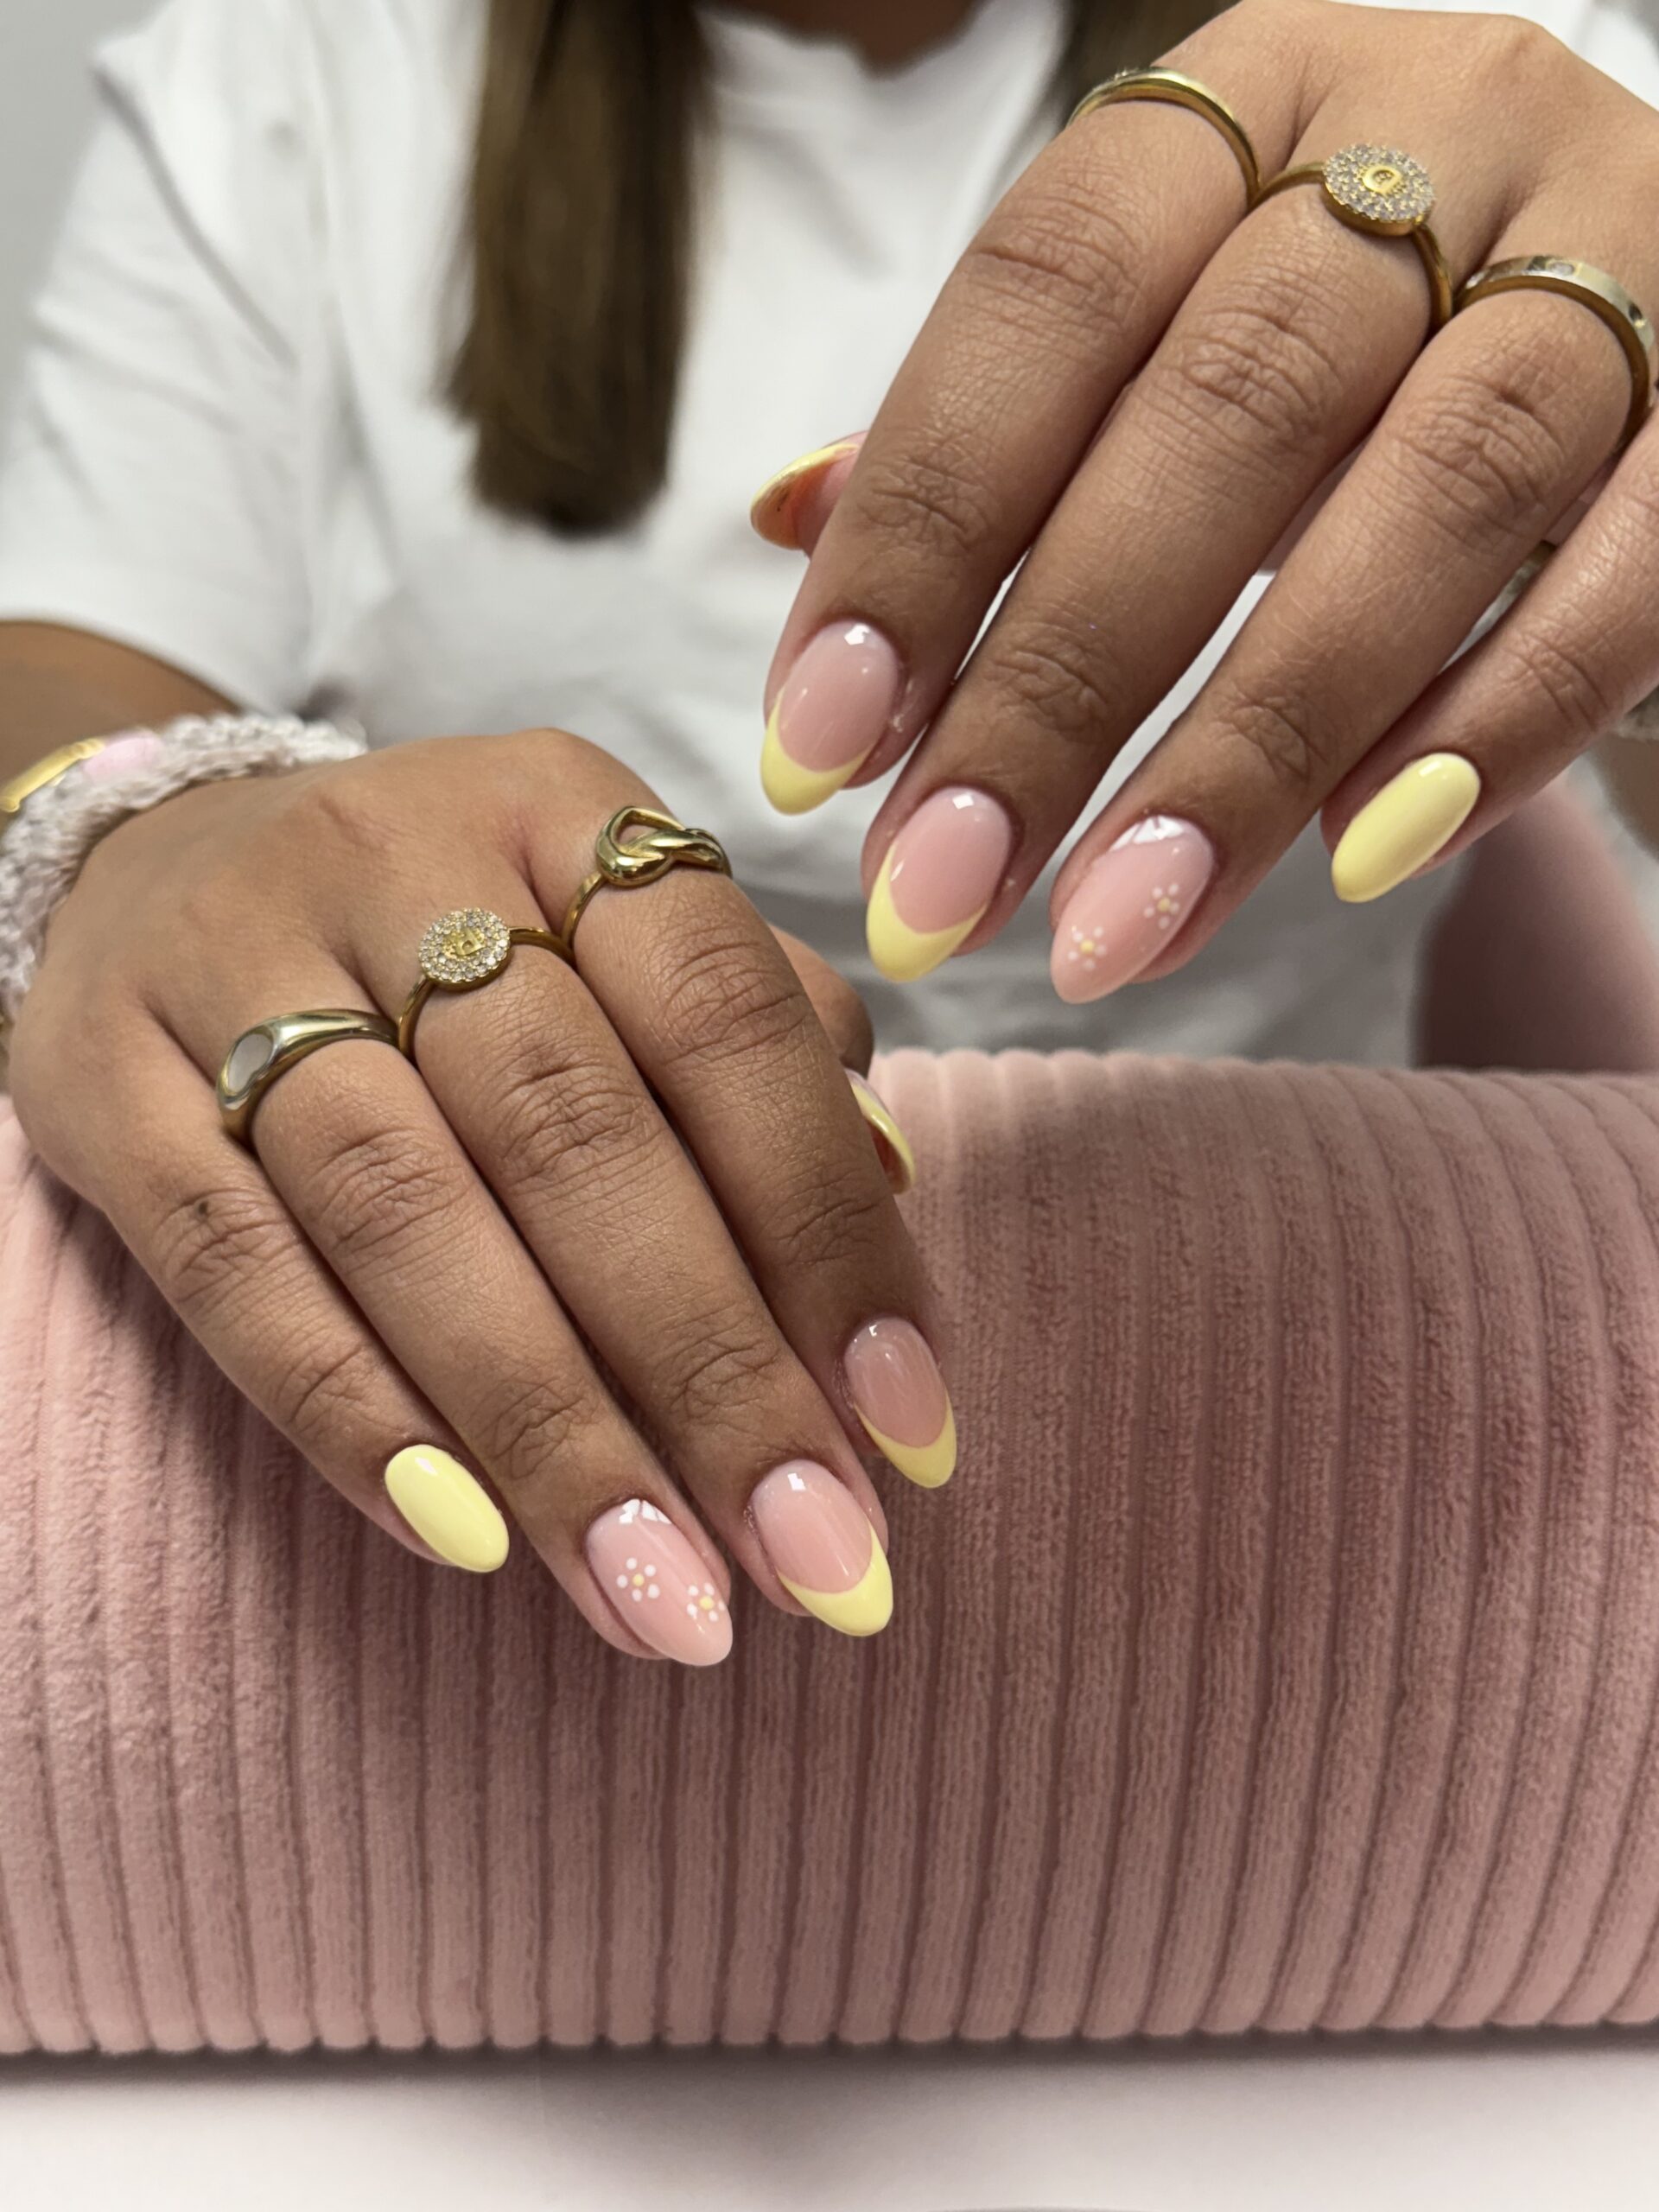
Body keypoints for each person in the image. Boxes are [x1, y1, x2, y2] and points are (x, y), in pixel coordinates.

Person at [3, 0, 1658, 1665]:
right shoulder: (301, 65)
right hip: (470, 1611)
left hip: (1340, 1495)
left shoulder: (1497, 56)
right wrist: (138, 828)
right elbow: (72, 661)